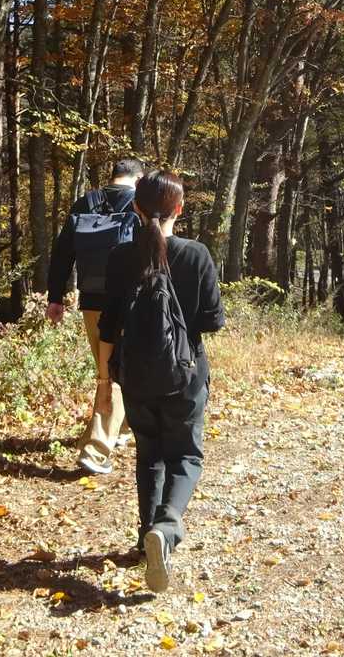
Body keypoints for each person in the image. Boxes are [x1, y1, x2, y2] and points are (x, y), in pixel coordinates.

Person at [100, 170, 224, 593]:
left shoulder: (120, 257)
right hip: (185, 374)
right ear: (179, 209)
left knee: (148, 455)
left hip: (135, 375)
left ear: (135, 207)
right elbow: (213, 321)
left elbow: (108, 325)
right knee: (185, 455)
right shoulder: (195, 255)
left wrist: (104, 380)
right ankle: (166, 526)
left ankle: (144, 539)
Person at [47, 158, 145, 474]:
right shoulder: (141, 204)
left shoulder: (86, 202)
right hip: (130, 302)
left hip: (92, 301)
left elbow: (62, 253)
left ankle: (122, 429)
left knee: (109, 368)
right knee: (114, 372)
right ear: (138, 178)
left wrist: (55, 297)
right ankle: (95, 449)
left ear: (113, 176)